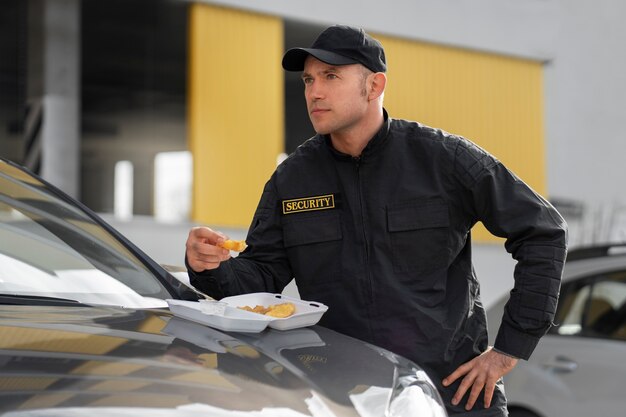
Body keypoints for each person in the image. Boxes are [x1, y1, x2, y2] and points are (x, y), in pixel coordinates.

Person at [185, 24, 568, 416]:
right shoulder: (293, 178)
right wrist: (210, 267)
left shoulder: (444, 160)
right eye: (308, 80)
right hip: (340, 396)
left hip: (450, 393)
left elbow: (544, 232)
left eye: (331, 76)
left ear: (374, 85)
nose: (314, 92)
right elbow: (262, 275)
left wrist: (508, 350)